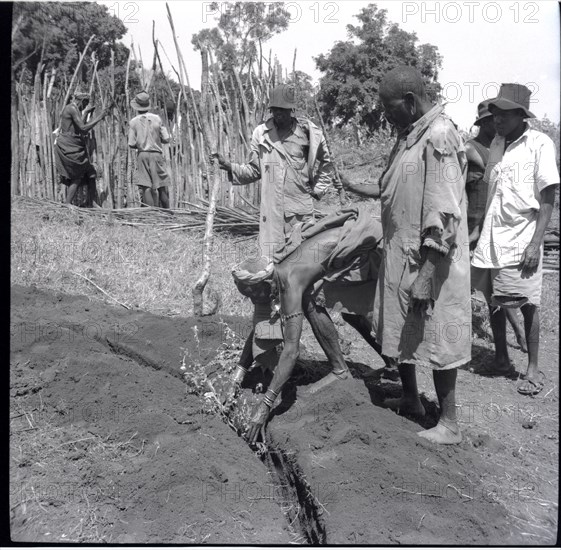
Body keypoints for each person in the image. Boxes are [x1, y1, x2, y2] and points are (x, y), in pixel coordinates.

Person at [372, 65, 471, 445]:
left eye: (389, 107)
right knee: (403, 328)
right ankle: (412, 399)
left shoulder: (440, 135)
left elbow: (444, 214)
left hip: (433, 261)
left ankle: (449, 423)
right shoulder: (411, 136)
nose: (386, 115)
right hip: (403, 253)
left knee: (439, 333)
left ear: (410, 102)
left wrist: (427, 274)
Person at [212, 84, 340, 377]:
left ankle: (299, 352)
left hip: (300, 222)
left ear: (292, 111)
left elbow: (326, 166)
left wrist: (316, 191)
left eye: (283, 111)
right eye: (274, 111)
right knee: (268, 286)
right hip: (271, 222)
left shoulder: (309, 135)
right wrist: (228, 166)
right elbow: (253, 171)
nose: (278, 116)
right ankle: (267, 358)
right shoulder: (262, 135)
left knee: (302, 288)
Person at [240, 207, 384, 445]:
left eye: (259, 297)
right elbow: (262, 319)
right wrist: (239, 372)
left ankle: (347, 371)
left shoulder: (289, 283)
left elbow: (291, 350)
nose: (260, 303)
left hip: (368, 247)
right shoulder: (275, 271)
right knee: (319, 301)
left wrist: (265, 405)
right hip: (347, 250)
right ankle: (367, 367)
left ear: (266, 285)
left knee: (354, 309)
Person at [471, 83, 559, 395]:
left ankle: (533, 370)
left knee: (527, 304)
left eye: (505, 113)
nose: (497, 118)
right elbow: (493, 191)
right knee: (495, 300)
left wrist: (536, 243)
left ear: (521, 115)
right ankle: (501, 359)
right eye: (495, 112)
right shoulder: (497, 143)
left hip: (523, 237)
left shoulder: (539, 143)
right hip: (493, 236)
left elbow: (548, 194)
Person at [467, 101, 527, 352]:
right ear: (485, 123)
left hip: (491, 227)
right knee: (491, 287)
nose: (500, 124)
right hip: (473, 227)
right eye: (496, 119)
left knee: (496, 287)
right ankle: (515, 335)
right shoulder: (473, 150)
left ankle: (516, 334)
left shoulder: (497, 148)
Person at [54, 91, 109, 205]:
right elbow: (83, 128)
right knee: (77, 177)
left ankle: (91, 203)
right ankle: (68, 204)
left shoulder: (75, 109)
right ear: (81, 101)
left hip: (73, 145)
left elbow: (77, 127)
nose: (85, 106)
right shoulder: (72, 108)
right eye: (85, 104)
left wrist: (86, 113)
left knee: (91, 173)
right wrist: (100, 117)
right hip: (69, 146)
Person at [128, 91, 172, 208]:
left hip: (142, 155)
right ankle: (168, 214)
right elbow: (166, 139)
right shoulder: (157, 119)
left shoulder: (133, 122)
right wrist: (156, 139)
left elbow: (131, 144)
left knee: (145, 186)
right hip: (156, 154)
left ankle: (150, 213)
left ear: (137, 106)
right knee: (161, 184)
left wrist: (141, 141)